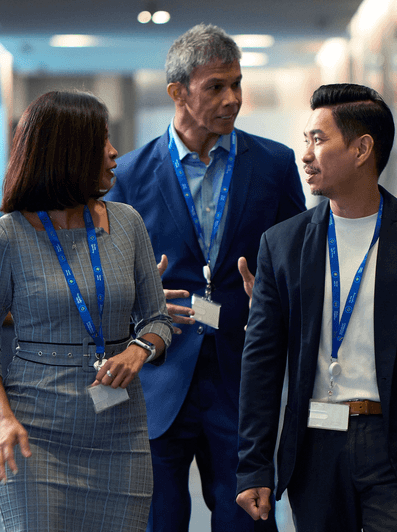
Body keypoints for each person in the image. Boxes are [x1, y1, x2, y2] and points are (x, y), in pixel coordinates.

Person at [235, 83, 397, 532]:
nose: (306, 155)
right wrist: (253, 464)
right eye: (306, 140)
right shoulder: (282, 244)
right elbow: (261, 362)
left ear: (362, 149)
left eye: (319, 139)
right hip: (313, 446)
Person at [105, 23, 305, 532]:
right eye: (215, 87)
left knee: (246, 520)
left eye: (236, 84)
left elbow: (300, 264)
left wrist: (275, 293)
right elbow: (106, 281)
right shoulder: (128, 176)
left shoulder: (275, 165)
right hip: (159, 375)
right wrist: (138, 297)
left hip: (243, 376)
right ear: (178, 92)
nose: (232, 98)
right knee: (157, 521)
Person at [0, 90, 173, 531]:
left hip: (120, 433)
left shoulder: (128, 223)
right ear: (67, 151)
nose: (114, 152)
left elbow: (157, 318)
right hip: (34, 432)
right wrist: (3, 420)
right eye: (101, 141)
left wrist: (138, 350)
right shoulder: (4, 237)